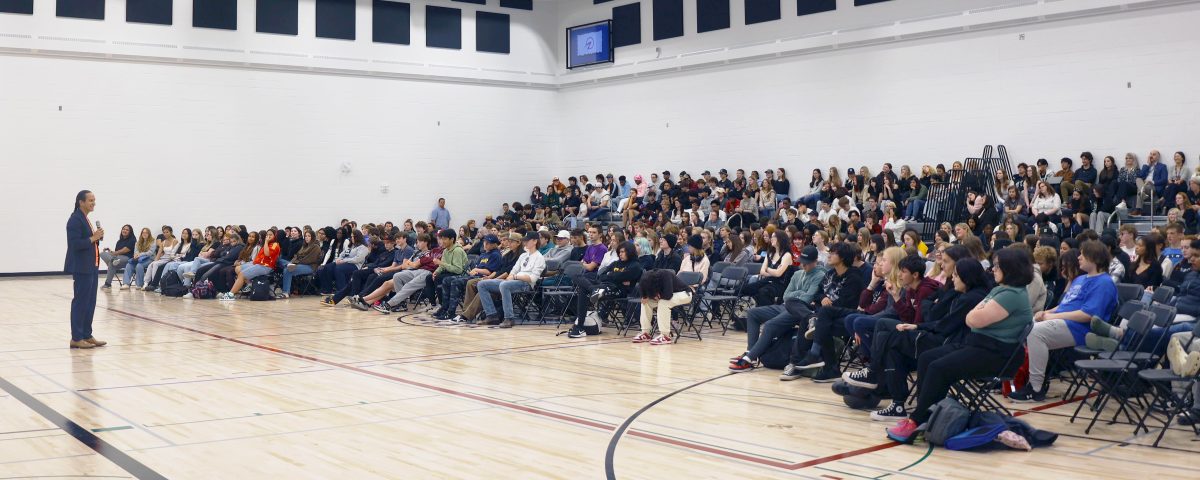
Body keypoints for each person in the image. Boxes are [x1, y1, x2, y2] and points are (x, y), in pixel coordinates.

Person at [886, 247, 1035, 442]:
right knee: (927, 357)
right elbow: (972, 317)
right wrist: (976, 313)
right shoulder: (1000, 290)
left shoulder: (1011, 295)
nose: (994, 269)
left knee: (938, 368)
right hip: (980, 346)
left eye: (998, 266)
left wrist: (976, 312)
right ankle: (928, 415)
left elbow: (973, 320)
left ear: (1011, 268)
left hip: (996, 354)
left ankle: (917, 420)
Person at [1011, 240, 1118, 402]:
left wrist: (1052, 317)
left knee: (1036, 332)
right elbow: (1064, 305)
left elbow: (1088, 315)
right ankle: (1015, 377)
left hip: (1081, 329)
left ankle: (1035, 387)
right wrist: (1045, 312)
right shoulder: (1080, 279)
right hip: (1064, 322)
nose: (1079, 257)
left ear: (1095, 258)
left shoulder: (1104, 282)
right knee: (1025, 324)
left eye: (1083, 255)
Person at [730, 246, 826, 373]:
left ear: (815, 261)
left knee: (770, 325)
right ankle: (750, 351)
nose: (803, 265)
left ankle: (749, 359)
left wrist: (795, 295)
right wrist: (799, 293)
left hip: (800, 310)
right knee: (752, 313)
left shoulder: (820, 275)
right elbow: (786, 295)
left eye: (807, 263)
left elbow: (807, 299)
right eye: (802, 262)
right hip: (785, 306)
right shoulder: (797, 274)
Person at [477, 232, 547, 328]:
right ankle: (492, 315)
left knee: (504, 285)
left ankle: (509, 318)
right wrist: (510, 277)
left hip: (526, 284)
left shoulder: (539, 257)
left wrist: (515, 277)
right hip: (513, 281)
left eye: (527, 240)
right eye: (524, 240)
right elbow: (514, 270)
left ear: (535, 241)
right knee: (482, 284)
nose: (525, 242)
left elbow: (532, 278)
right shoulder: (523, 256)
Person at [65, 190, 106, 349]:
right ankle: (76, 338)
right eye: (90, 200)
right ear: (81, 202)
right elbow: (75, 244)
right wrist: (93, 237)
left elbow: (89, 241)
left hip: (92, 266)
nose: (93, 203)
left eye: (94, 200)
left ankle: (87, 335)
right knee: (81, 302)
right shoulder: (75, 220)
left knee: (90, 302)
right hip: (82, 267)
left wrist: (96, 237)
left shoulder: (85, 219)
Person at [634, 268, 693, 345]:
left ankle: (665, 335)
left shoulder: (665, 275)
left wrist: (655, 296)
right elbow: (644, 294)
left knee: (663, 302)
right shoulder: (646, 278)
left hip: (684, 294)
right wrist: (647, 296)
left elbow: (668, 296)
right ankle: (645, 332)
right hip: (669, 295)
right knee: (646, 302)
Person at [219, 229, 281, 300]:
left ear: (274, 236)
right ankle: (249, 283)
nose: (268, 236)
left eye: (270, 235)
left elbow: (267, 254)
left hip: (265, 266)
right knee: (237, 268)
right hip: (257, 263)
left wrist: (266, 242)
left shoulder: (275, 244)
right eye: (267, 235)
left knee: (242, 274)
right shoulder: (267, 244)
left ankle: (231, 294)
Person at [99, 224, 134, 289]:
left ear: (130, 232)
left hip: (127, 259)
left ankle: (107, 284)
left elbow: (124, 250)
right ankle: (108, 284)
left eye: (127, 230)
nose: (125, 230)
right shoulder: (119, 241)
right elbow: (116, 253)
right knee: (102, 253)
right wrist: (110, 251)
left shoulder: (132, 240)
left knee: (112, 262)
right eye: (123, 229)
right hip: (118, 259)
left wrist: (112, 254)